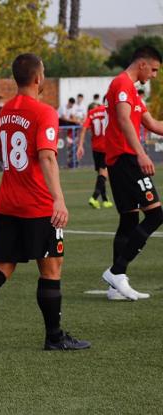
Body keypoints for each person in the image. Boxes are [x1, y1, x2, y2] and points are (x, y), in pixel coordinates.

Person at [0, 53, 90, 356]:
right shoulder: (44, 112)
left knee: (2, 266)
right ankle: (54, 336)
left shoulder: (5, 112)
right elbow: (46, 155)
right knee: (51, 268)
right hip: (38, 205)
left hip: (7, 201)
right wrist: (58, 198)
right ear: (38, 78)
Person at [100, 45, 163, 301]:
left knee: (128, 221)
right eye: (155, 70)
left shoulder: (133, 92)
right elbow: (124, 120)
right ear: (142, 64)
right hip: (126, 159)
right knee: (156, 214)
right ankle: (117, 271)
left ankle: (115, 286)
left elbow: (153, 124)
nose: (155, 76)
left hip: (122, 160)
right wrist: (141, 153)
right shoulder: (122, 85)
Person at [76, 102, 113, 209]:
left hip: (95, 148)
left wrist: (80, 145)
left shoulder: (91, 113)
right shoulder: (108, 110)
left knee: (101, 174)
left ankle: (105, 199)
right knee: (103, 174)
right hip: (107, 147)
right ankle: (94, 197)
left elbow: (83, 129)